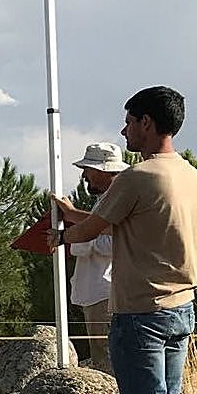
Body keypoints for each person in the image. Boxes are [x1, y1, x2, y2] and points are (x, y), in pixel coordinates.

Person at [48, 87, 197, 394]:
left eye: (129, 122)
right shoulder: (191, 176)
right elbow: (122, 221)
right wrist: (74, 215)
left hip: (141, 312)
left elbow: (92, 229)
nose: (124, 131)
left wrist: (59, 236)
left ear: (147, 123)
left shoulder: (138, 177)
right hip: (180, 307)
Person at [59, 142, 127, 369]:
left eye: (88, 170)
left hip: (105, 292)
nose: (84, 176)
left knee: (108, 358)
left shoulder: (118, 201)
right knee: (102, 356)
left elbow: (115, 243)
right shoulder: (106, 201)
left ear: (103, 171)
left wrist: (77, 236)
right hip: (97, 291)